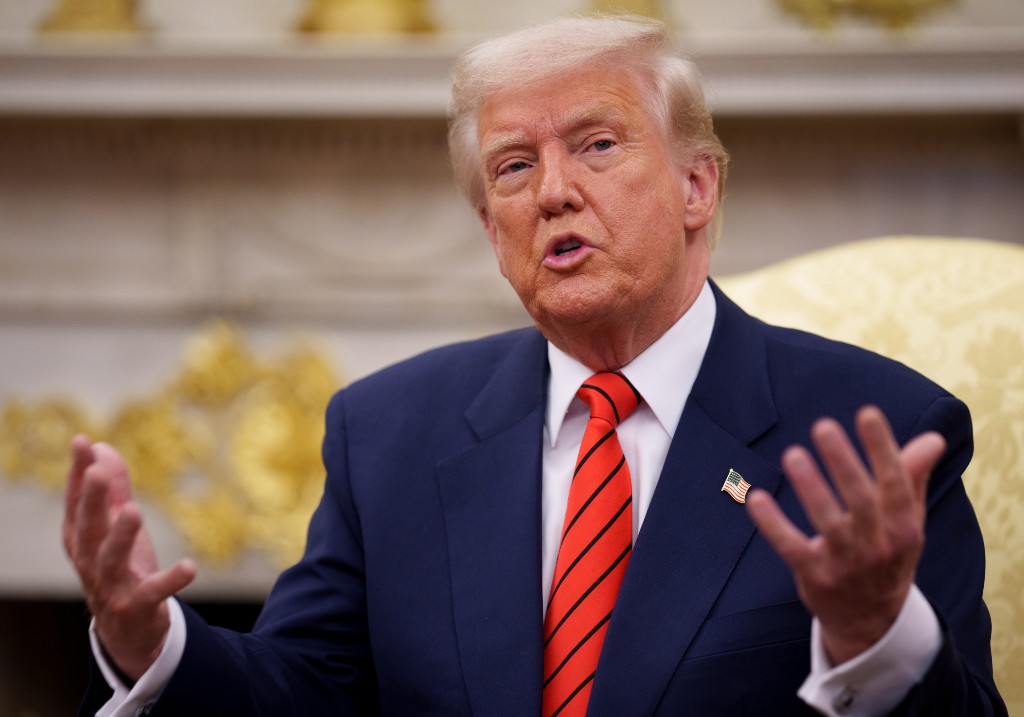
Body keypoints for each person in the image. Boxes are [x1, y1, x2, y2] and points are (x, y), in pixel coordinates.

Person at [64, 14, 1005, 717]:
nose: (553, 191)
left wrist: (876, 636)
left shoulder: (874, 429)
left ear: (696, 184)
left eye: (597, 145)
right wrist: (153, 644)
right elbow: (305, 693)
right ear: (490, 228)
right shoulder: (389, 433)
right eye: (513, 168)